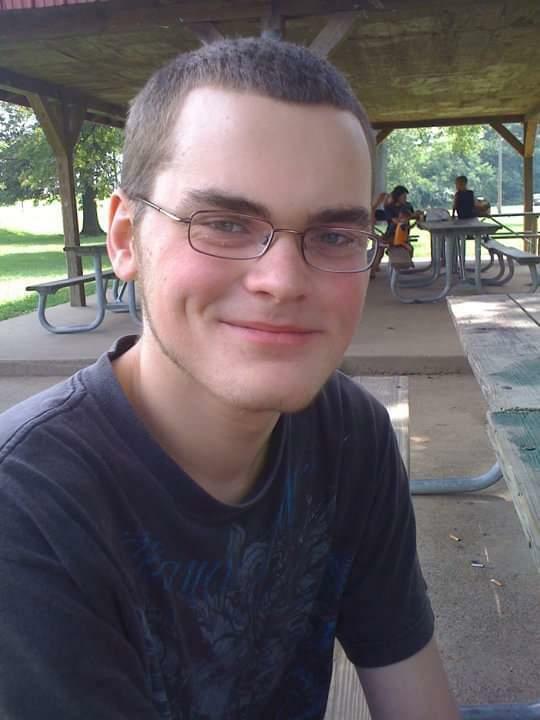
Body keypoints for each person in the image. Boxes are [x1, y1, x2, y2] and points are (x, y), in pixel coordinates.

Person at [0, 38, 459, 720]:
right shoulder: (26, 508)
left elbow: (413, 691)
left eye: (334, 236)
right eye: (223, 223)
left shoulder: (351, 436)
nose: (282, 281)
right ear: (125, 238)